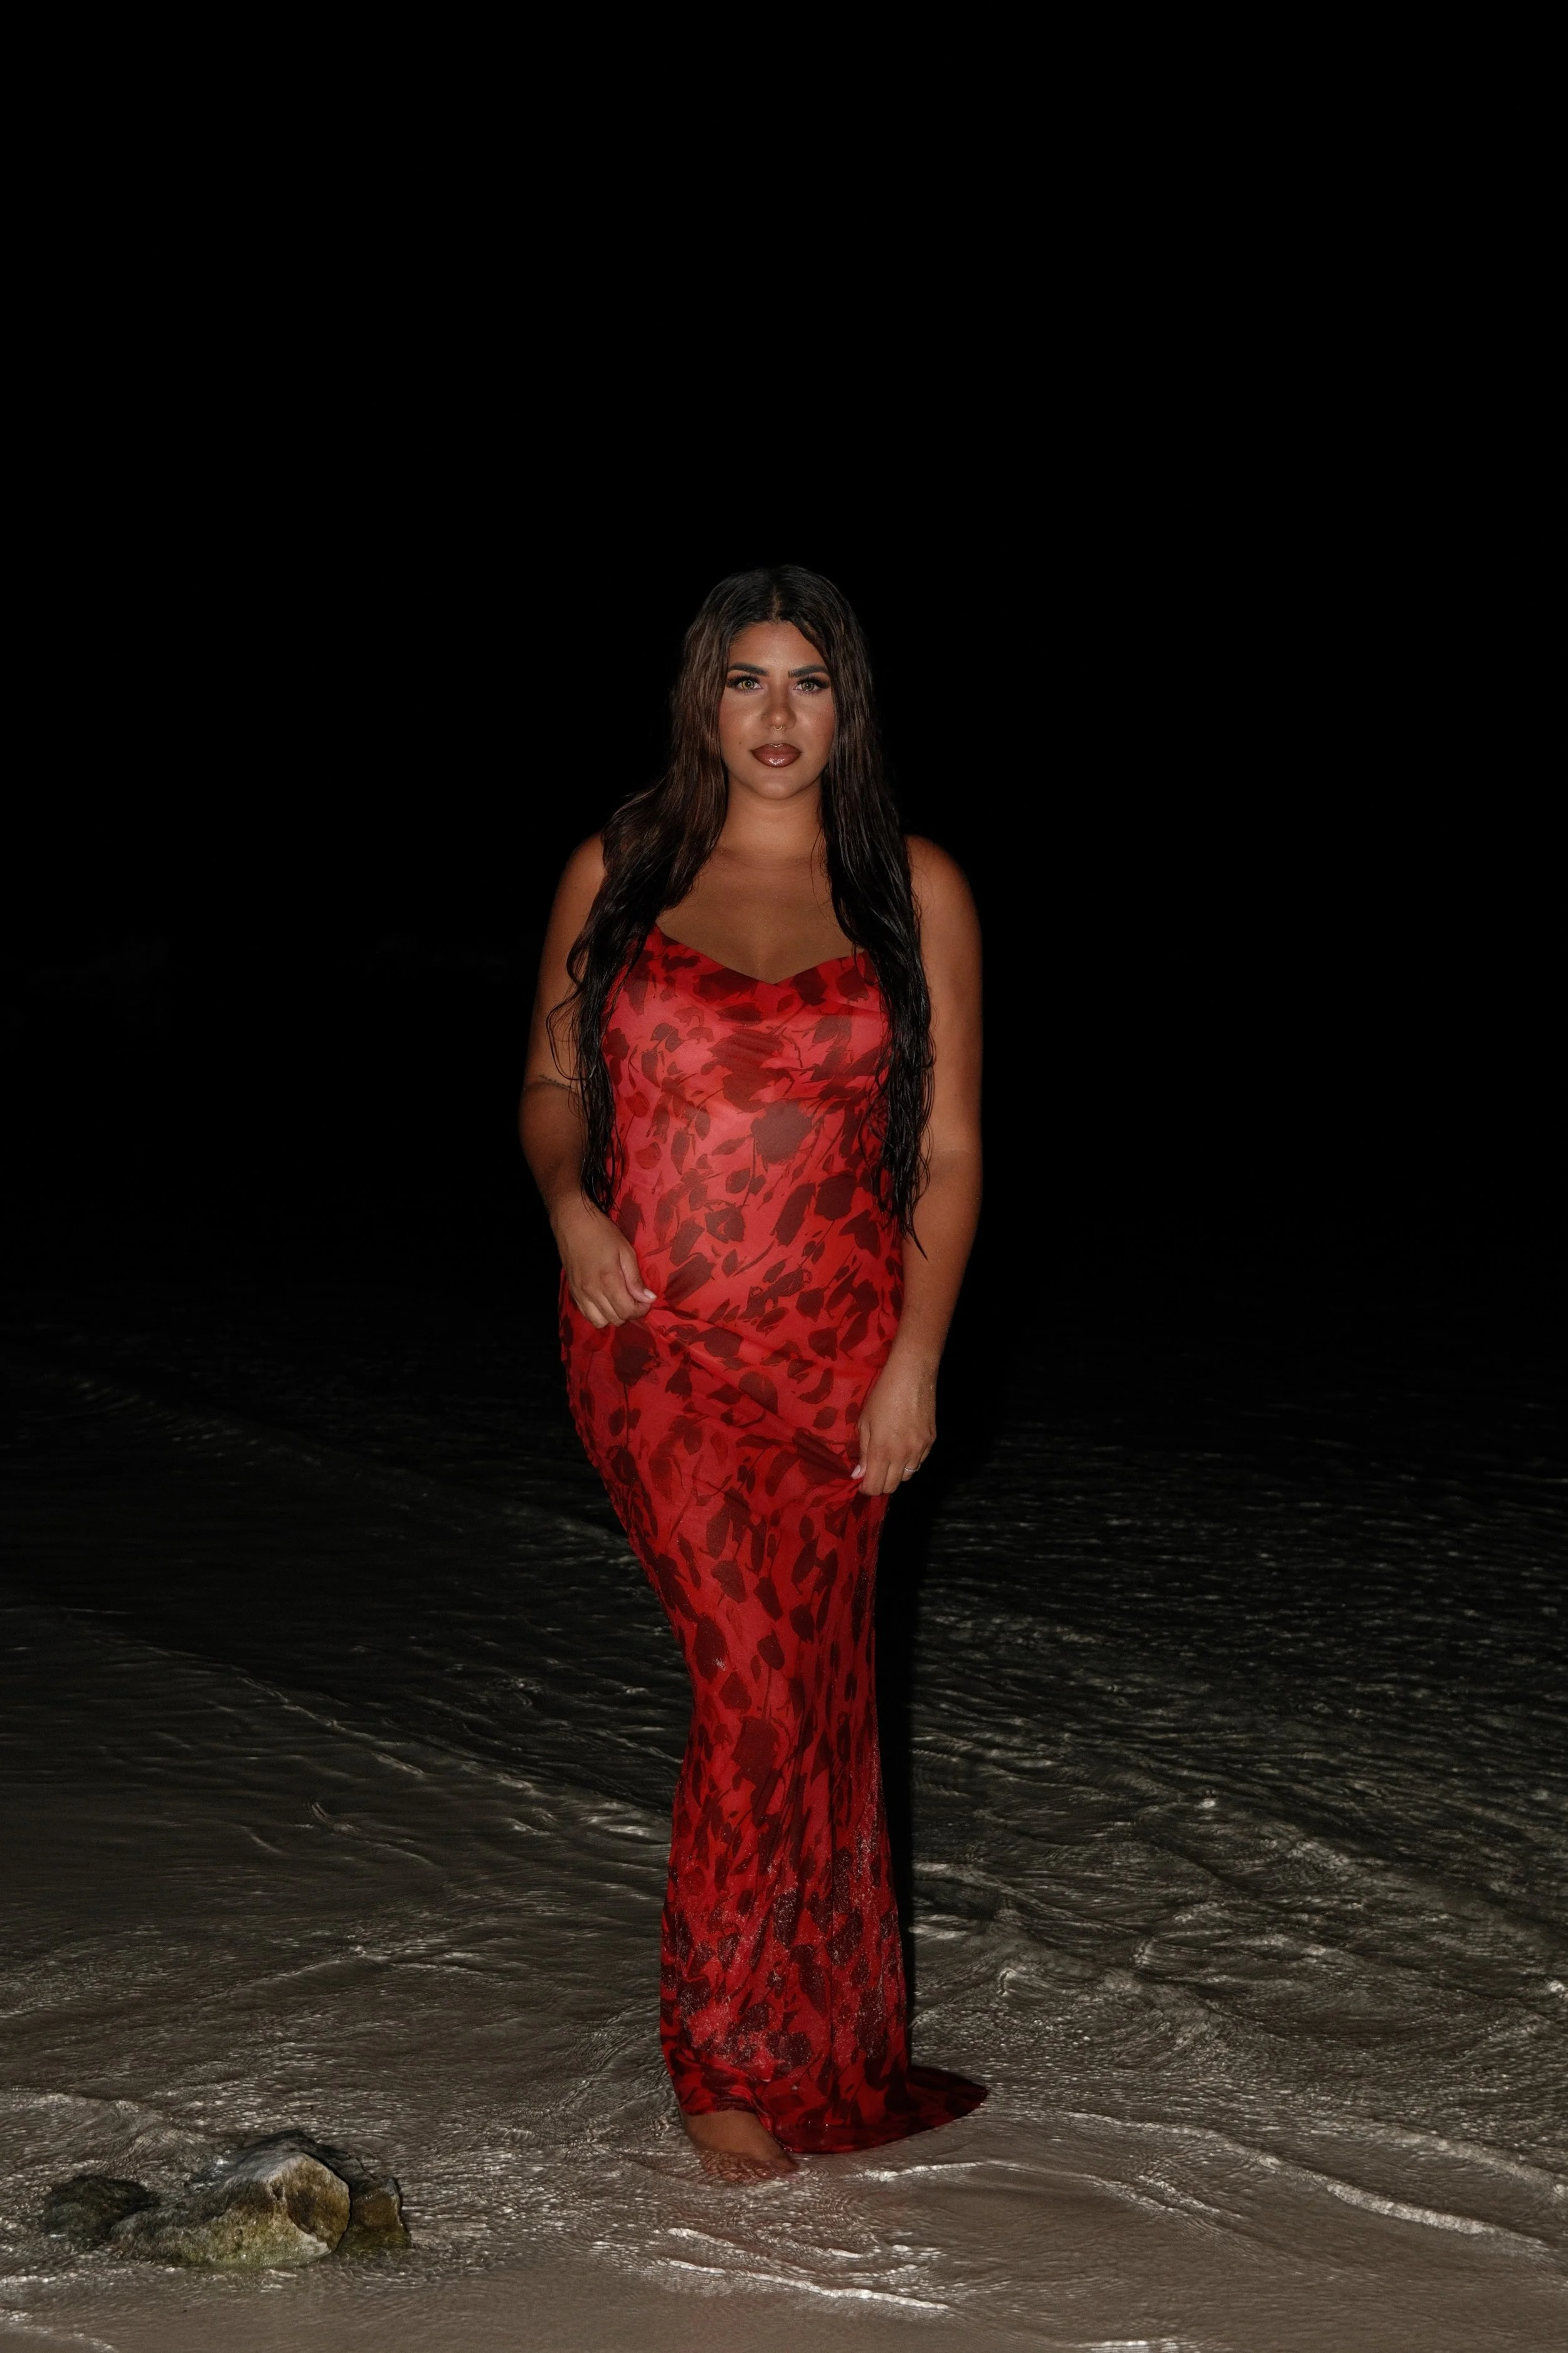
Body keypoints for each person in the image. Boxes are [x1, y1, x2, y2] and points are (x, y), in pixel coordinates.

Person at [520, 566, 984, 2182]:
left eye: (809, 684)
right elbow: (551, 1082)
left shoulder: (911, 888)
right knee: (753, 1682)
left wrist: (916, 1360)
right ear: (700, 701)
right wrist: (572, 1205)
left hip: (837, 1348)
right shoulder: (624, 868)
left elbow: (947, 1147)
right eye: (746, 682)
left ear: (848, 706)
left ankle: (813, 2028)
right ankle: (718, 2051)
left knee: (816, 1699)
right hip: (651, 1331)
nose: (777, 717)